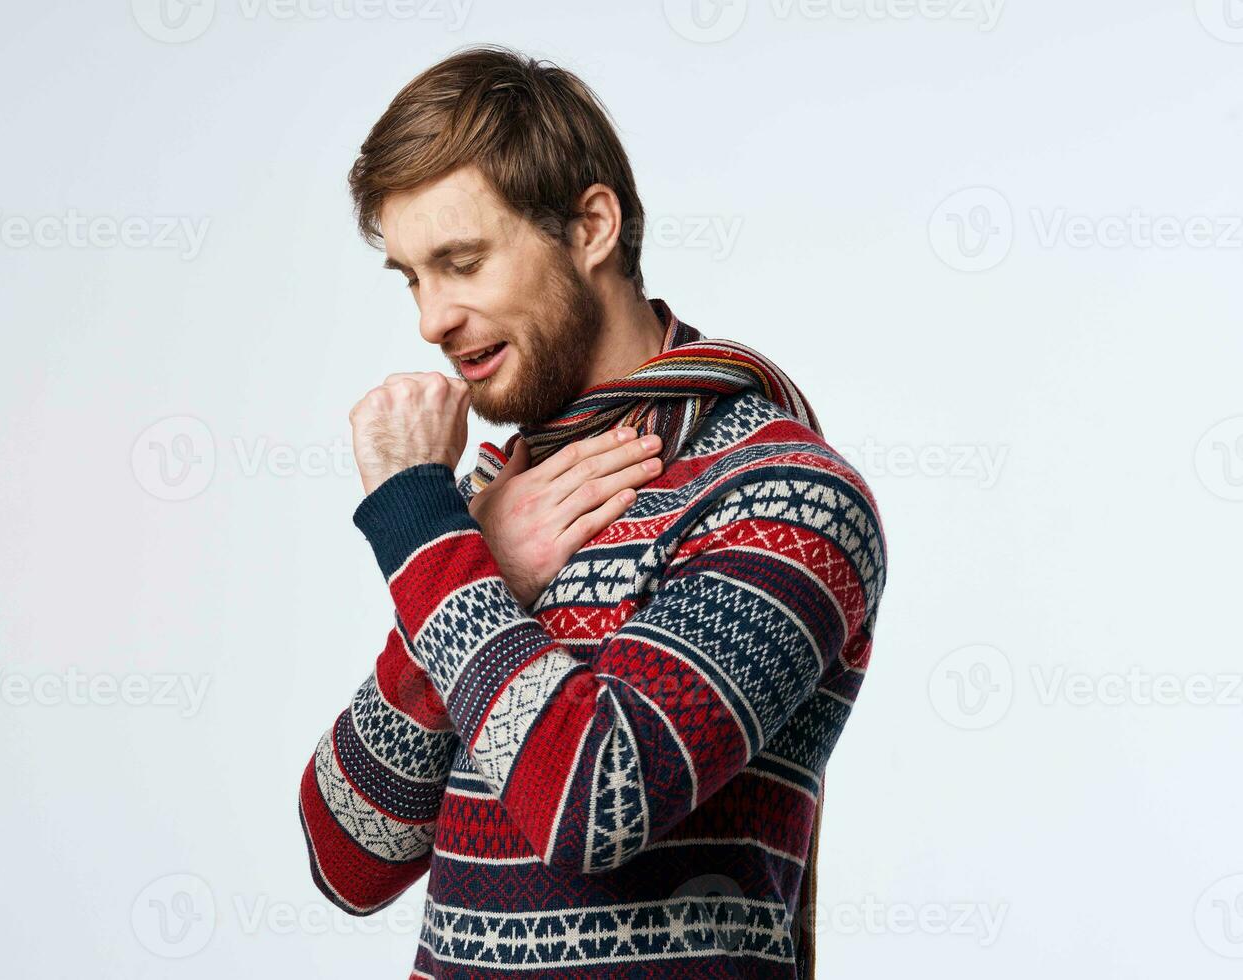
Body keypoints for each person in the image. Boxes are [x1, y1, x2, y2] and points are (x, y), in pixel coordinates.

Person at [297, 44, 888, 979]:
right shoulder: (496, 505)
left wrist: (422, 524)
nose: (430, 320)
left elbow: (594, 801)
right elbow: (349, 856)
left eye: (461, 261)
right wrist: (472, 555)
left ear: (591, 228)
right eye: (412, 277)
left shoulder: (785, 494)